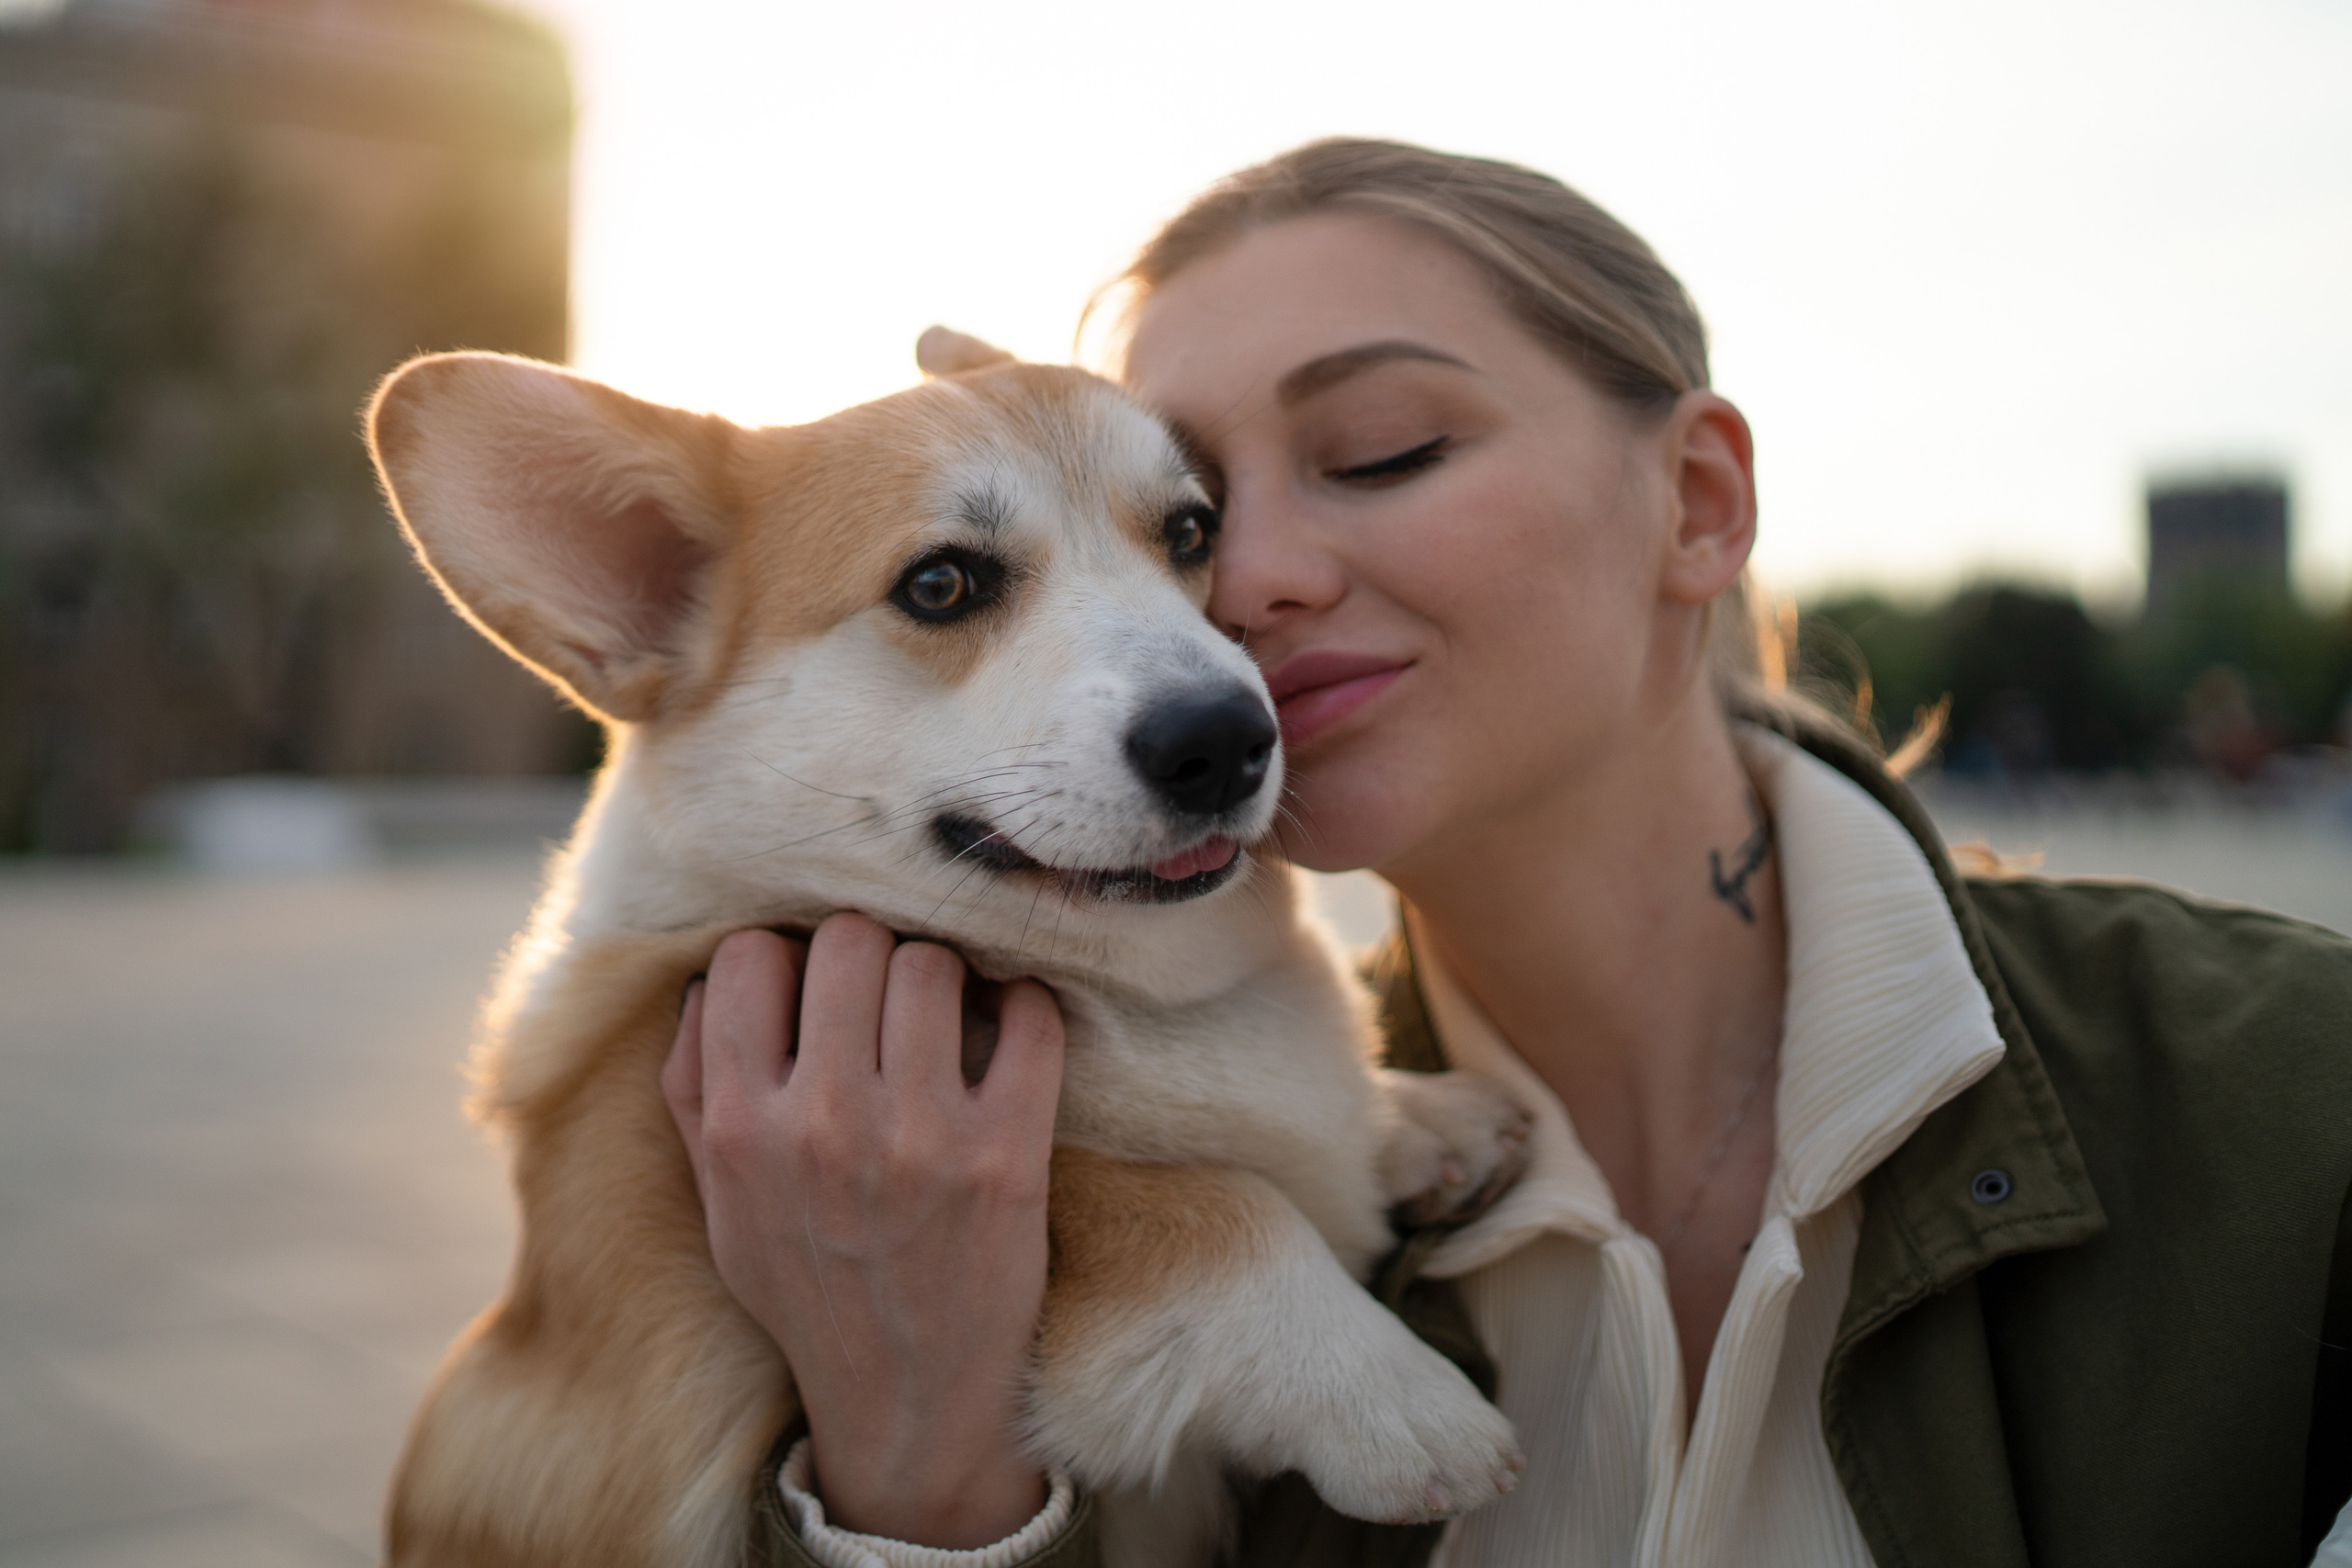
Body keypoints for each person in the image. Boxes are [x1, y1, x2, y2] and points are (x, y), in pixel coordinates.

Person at [661, 140, 2352, 1568]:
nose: (1236, 585)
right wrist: (917, 1471)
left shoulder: (2292, 1089)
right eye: (1193, 511)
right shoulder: (967, 1200)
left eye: (1382, 452)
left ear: (1698, 501)